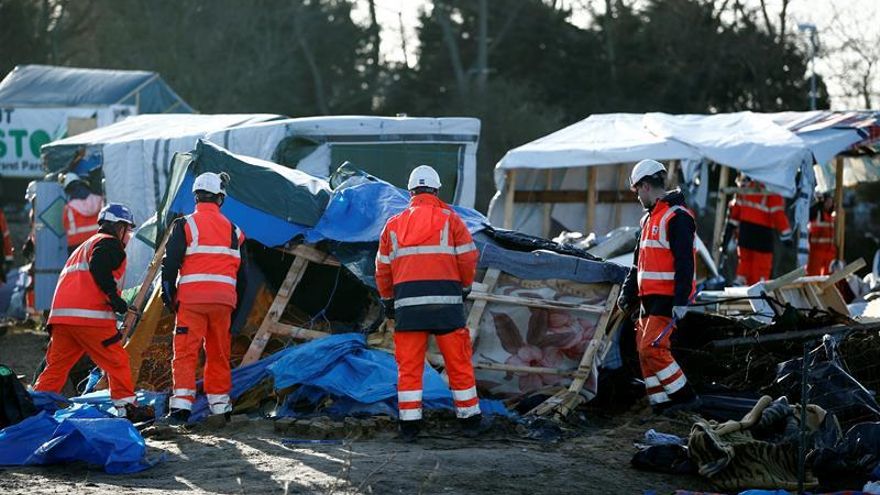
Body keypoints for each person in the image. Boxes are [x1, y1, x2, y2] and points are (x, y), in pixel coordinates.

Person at [375, 165, 482, 441]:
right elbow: (468, 258)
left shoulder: (393, 225)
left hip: (409, 309)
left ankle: (410, 425)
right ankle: (470, 421)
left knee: (409, 367)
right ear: (436, 190)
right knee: (458, 362)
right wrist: (465, 287)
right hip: (447, 306)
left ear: (410, 191)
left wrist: (388, 301)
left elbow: (382, 269)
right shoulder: (452, 220)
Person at [33, 203, 151, 420]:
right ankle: (127, 407)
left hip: (62, 319)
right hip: (90, 318)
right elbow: (99, 268)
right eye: (128, 230)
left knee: (56, 369)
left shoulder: (83, 247)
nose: (128, 236)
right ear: (119, 227)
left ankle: (35, 409)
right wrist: (116, 301)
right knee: (117, 360)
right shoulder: (110, 244)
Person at [160, 172, 247, 425]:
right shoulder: (235, 231)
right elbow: (244, 277)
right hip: (223, 302)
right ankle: (220, 407)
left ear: (196, 196)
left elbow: (170, 265)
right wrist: (234, 307)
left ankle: (181, 409)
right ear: (220, 199)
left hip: (192, 301)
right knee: (219, 353)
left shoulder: (185, 225)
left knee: (186, 352)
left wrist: (169, 297)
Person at [617, 159, 699, 414]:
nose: (637, 197)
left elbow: (686, 262)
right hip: (647, 298)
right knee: (644, 352)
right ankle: (660, 406)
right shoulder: (648, 220)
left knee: (651, 349)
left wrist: (681, 300)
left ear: (644, 186)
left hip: (666, 297)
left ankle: (686, 400)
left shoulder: (678, 217)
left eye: (636, 191)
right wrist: (627, 292)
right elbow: (636, 263)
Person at [723, 175, 792, 285]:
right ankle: (757, 292)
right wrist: (786, 234)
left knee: (744, 264)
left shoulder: (744, 189)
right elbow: (777, 214)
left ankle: (740, 287)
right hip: (762, 235)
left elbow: (735, 213)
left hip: (745, 233)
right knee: (761, 270)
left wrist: (728, 232)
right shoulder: (770, 190)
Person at [62, 173, 103, 254]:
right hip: (97, 240)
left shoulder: (69, 207)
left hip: (76, 244)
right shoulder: (98, 200)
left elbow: (65, 225)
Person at [806, 191, 837, 276]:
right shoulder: (817, 213)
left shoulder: (831, 216)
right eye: (827, 202)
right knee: (812, 275)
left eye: (831, 202)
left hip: (829, 251)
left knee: (828, 277)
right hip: (816, 251)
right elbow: (810, 212)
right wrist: (818, 202)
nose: (829, 204)